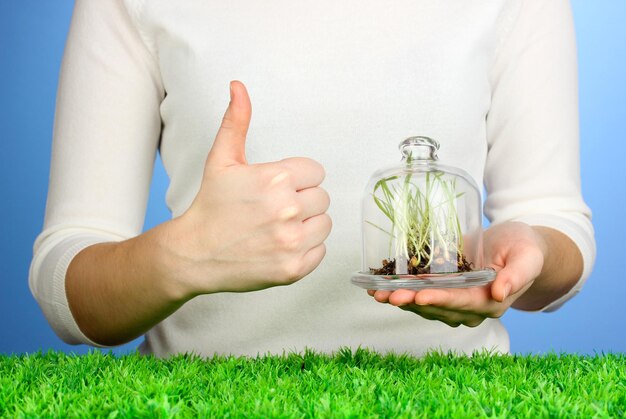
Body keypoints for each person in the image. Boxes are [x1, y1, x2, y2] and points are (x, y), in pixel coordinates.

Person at [29, 0, 595, 357]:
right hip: (198, 389)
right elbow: (67, 289)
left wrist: (531, 251)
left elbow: (555, 220)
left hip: (460, 391)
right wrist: (183, 256)